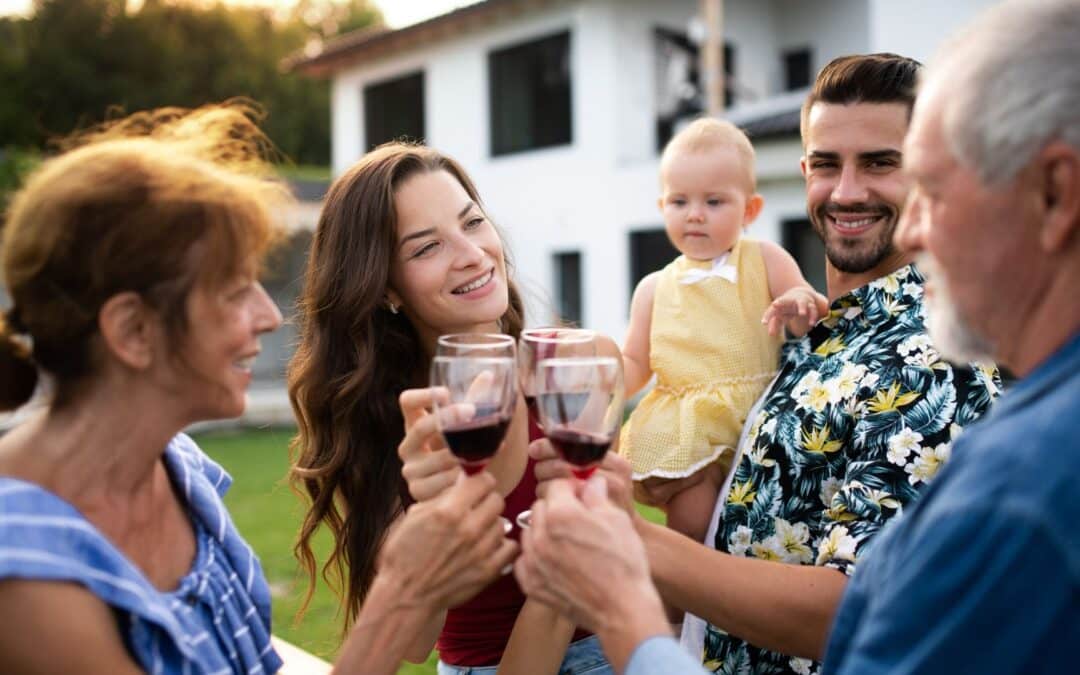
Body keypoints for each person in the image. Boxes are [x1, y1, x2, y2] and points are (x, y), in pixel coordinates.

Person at [521, 3, 1079, 673]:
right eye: (824, 164)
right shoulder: (807, 326)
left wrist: (630, 548)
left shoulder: (935, 354)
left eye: (884, 164)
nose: (846, 192)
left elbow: (857, 606)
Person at [0, 104, 516, 675]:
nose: (270, 315)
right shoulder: (23, 570)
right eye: (233, 290)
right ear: (132, 331)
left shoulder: (183, 472)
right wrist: (402, 594)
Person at [288, 142, 610, 674]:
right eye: (425, 248)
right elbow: (413, 639)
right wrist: (434, 503)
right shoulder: (385, 421)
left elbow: (578, 575)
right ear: (386, 287)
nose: (472, 254)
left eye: (473, 222)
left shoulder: (576, 366)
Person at [824, 0, 1080, 671]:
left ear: (1055, 194)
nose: (911, 230)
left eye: (931, 190)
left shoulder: (1020, 495)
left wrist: (629, 614)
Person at [619, 117, 827, 546]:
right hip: (692, 429)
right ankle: (676, 609)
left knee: (752, 531)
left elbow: (808, 313)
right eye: (679, 202)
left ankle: (719, 602)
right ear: (662, 208)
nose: (695, 214)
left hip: (757, 422)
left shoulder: (763, 259)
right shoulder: (654, 288)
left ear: (749, 210)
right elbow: (636, 363)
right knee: (692, 522)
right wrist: (600, 375)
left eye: (714, 202)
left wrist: (802, 304)